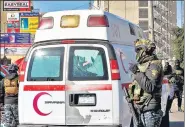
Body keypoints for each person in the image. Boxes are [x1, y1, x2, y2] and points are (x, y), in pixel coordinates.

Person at [129, 39, 163, 127]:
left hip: (150, 112)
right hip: (140, 110)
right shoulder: (144, 66)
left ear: (144, 51)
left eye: (139, 50)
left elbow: (150, 87)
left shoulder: (154, 65)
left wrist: (137, 72)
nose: (137, 53)